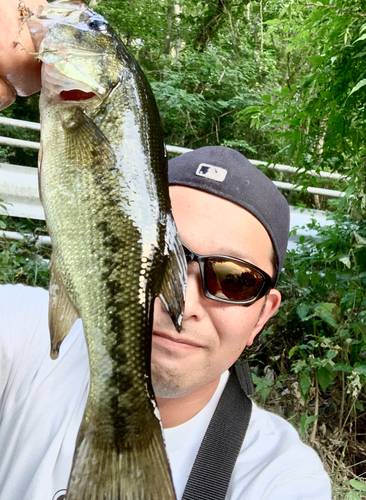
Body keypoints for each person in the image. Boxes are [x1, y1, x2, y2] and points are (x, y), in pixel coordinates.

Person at [0, 2, 332, 500]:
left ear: (264, 314)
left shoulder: (280, 477)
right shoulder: (18, 336)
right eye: (162, 259)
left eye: (234, 279)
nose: (185, 306)